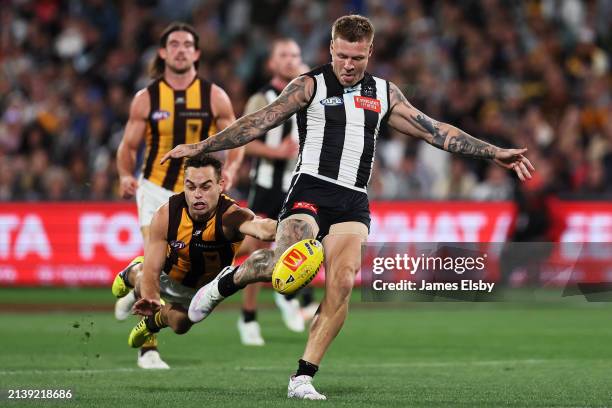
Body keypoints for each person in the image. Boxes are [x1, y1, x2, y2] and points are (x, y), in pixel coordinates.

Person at [161, 15, 535, 400]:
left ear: (370, 51)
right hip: (311, 189)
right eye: (342, 56)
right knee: (280, 266)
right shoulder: (310, 85)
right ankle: (226, 281)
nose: (349, 65)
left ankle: (302, 377)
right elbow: (259, 121)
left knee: (341, 283)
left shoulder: (385, 93)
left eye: (357, 57)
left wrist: (493, 153)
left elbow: (435, 130)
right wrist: (202, 147)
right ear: (331, 49)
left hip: (353, 200)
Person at [114, 22, 243, 368]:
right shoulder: (147, 98)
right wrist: (126, 175)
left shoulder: (214, 96)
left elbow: (236, 140)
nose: (181, 49)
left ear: (197, 53)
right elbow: (128, 146)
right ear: (163, 52)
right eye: (174, 44)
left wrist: (230, 169)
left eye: (188, 44)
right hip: (157, 189)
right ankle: (149, 348)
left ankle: (134, 277)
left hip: (199, 191)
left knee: (184, 276)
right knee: (155, 259)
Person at [111, 154, 276, 368]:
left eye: (206, 187)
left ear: (220, 185)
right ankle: (130, 275)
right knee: (145, 277)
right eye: (191, 187)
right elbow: (153, 271)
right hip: (166, 276)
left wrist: (290, 228)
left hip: (200, 290)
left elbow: (261, 227)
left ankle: (152, 324)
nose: (197, 195)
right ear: (184, 186)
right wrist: (150, 298)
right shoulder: (166, 214)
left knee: (181, 325)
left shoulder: (231, 216)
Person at [236, 38, 317, 346]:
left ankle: (290, 294)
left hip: (297, 185)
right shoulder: (262, 99)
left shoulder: (307, 96)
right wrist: (278, 154)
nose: (290, 60)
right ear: (271, 63)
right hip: (267, 185)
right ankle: (248, 318)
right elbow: (244, 140)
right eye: (283, 55)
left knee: (300, 243)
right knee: (256, 250)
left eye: (295, 55)